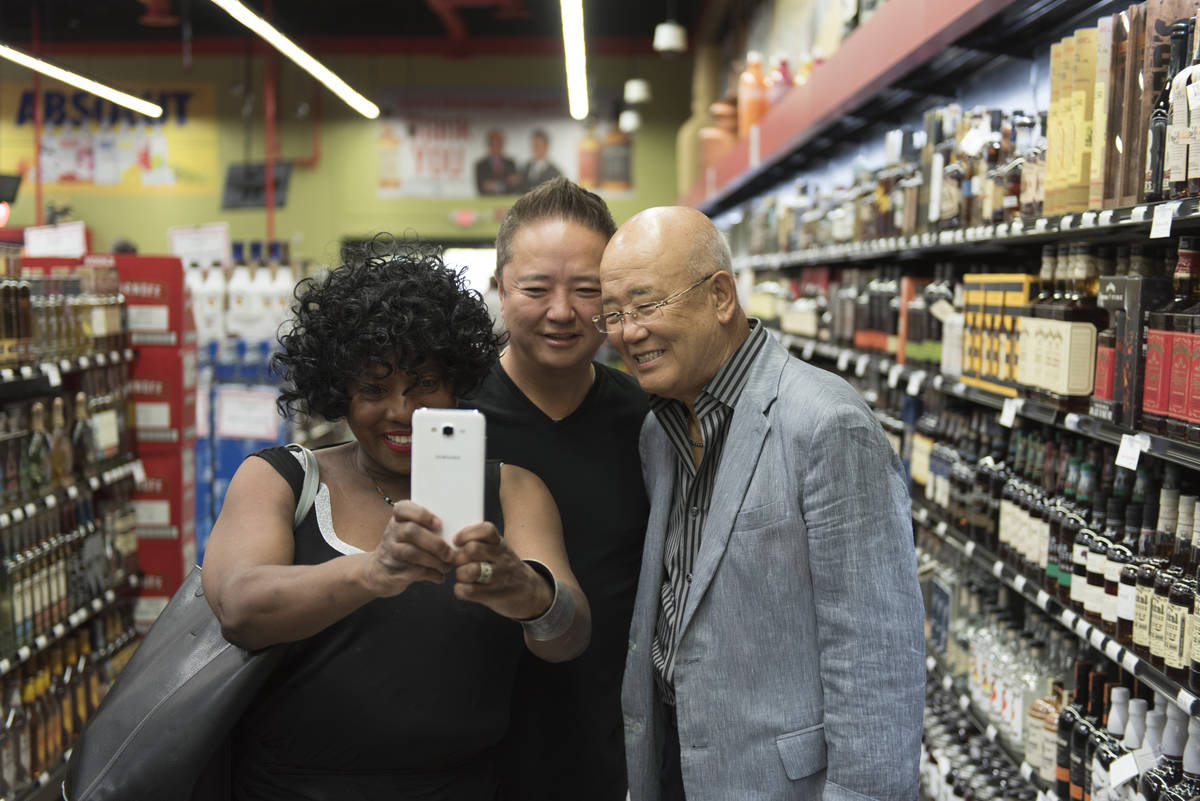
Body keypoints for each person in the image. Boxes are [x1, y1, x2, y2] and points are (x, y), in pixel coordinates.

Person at [201, 239, 591, 801]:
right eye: (374, 389)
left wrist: (531, 594)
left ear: (455, 380)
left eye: (423, 384)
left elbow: (571, 636)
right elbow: (240, 608)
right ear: (339, 391)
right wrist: (373, 573)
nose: (402, 411)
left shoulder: (512, 489)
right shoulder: (282, 479)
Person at [598, 206, 925, 801]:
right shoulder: (659, 431)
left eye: (646, 306)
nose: (628, 331)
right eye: (614, 314)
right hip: (678, 766)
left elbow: (876, 661)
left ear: (721, 296)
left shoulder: (826, 423)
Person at [472, 177, 649, 801]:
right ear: (499, 289)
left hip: (607, 752)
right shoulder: (449, 421)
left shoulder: (651, 422)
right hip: (465, 751)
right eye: (536, 288)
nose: (561, 312)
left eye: (588, 290)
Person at [475, 128, 520, 195]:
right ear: (488, 144)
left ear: (502, 144)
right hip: (487, 202)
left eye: (498, 142)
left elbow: (514, 186)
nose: (496, 146)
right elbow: (481, 188)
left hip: (507, 202)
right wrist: (505, 183)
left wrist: (494, 186)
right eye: (493, 143)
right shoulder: (480, 165)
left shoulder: (510, 163)